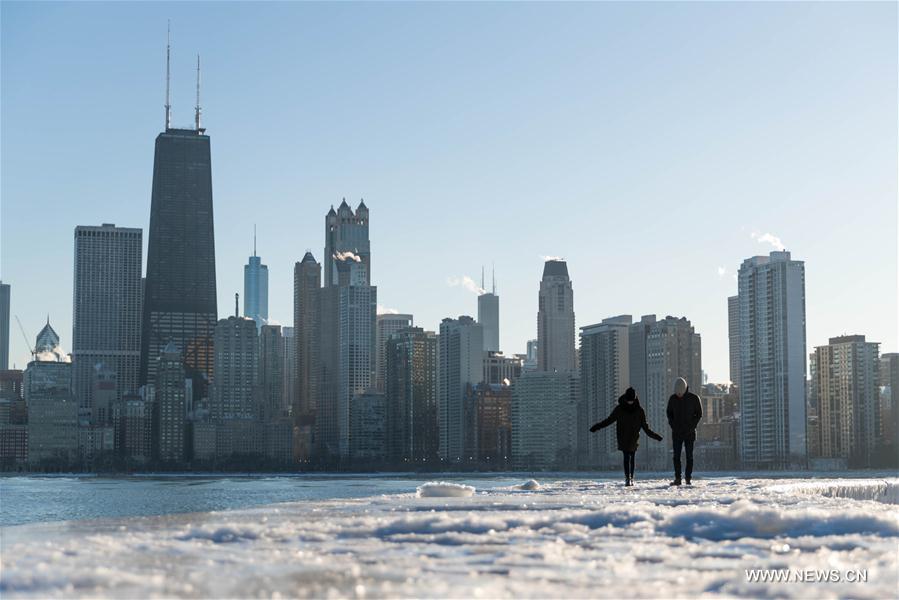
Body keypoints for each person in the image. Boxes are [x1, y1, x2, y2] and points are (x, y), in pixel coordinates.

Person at [589, 387, 663, 486]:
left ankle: (631, 477)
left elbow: (646, 428)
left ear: (635, 399)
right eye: (628, 401)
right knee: (626, 457)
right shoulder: (619, 409)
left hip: (633, 438)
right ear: (625, 399)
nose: (630, 403)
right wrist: (597, 427)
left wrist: (656, 437)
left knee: (632, 457)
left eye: (631, 401)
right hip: (623, 437)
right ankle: (627, 478)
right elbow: (609, 420)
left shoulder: (640, 411)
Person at [666, 377, 702, 486]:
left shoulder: (694, 398)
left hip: (690, 433)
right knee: (676, 457)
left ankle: (688, 478)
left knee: (689, 456)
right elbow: (669, 414)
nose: (679, 395)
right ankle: (678, 478)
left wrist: (692, 426)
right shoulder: (672, 399)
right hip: (677, 433)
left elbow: (699, 414)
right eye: (677, 394)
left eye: (680, 393)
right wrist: (673, 426)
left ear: (685, 389)